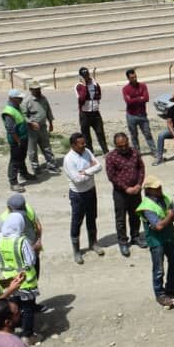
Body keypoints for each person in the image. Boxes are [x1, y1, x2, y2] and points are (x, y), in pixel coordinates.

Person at [137, 175, 174, 309]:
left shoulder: (166, 198)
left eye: (160, 186)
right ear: (149, 190)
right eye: (156, 188)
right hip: (156, 241)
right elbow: (158, 226)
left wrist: (164, 220)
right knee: (158, 269)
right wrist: (168, 216)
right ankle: (160, 294)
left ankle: (171, 287)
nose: (160, 189)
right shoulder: (146, 206)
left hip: (169, 236)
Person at [0, 213, 40, 344]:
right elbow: (31, 260)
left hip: (10, 281)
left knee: (13, 307)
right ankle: (28, 335)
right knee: (28, 308)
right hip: (25, 281)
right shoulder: (22, 240)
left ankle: (12, 331)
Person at [63, 132, 103, 264]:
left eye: (84, 142)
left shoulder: (87, 152)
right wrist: (91, 170)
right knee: (77, 222)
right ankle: (76, 250)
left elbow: (99, 166)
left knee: (92, 217)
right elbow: (77, 179)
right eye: (81, 144)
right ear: (73, 145)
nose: (84, 145)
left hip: (91, 191)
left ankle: (93, 243)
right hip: (78, 195)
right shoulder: (69, 159)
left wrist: (86, 171)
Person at [105, 132, 145, 257]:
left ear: (128, 141)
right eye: (120, 146)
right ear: (115, 145)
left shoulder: (134, 152)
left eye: (125, 145)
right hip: (120, 193)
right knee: (121, 218)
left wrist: (139, 184)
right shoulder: (111, 157)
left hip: (136, 190)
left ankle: (135, 236)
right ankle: (123, 241)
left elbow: (141, 168)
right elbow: (112, 176)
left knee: (135, 215)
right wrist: (126, 188)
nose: (123, 148)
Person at [23, 82, 58, 174]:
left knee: (46, 147)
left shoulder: (43, 98)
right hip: (31, 130)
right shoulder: (27, 101)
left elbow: (48, 111)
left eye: (39, 89)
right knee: (33, 150)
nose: (38, 91)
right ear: (31, 90)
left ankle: (51, 165)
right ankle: (36, 168)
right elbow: (23, 116)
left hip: (43, 127)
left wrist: (50, 123)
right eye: (35, 89)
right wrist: (31, 123)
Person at [2, 89, 32, 193]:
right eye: (19, 98)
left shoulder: (16, 107)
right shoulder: (8, 111)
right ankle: (13, 182)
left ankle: (24, 174)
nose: (21, 99)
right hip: (16, 140)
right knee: (15, 161)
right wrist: (18, 140)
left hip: (22, 138)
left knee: (22, 157)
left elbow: (21, 120)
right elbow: (10, 128)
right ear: (12, 98)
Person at [122, 69, 157, 155]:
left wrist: (135, 99)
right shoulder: (125, 89)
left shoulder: (143, 86)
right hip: (131, 115)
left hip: (142, 115)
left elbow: (146, 98)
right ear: (128, 78)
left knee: (147, 134)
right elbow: (128, 102)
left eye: (135, 76)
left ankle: (154, 151)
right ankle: (137, 153)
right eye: (132, 77)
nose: (134, 79)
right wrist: (140, 98)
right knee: (134, 135)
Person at [76, 67, 108, 154]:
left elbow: (99, 95)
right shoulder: (79, 86)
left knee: (100, 132)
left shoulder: (95, 83)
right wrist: (84, 86)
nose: (86, 77)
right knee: (86, 135)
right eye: (84, 76)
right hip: (85, 114)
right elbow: (81, 99)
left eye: (87, 75)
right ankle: (90, 153)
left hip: (95, 112)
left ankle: (105, 151)